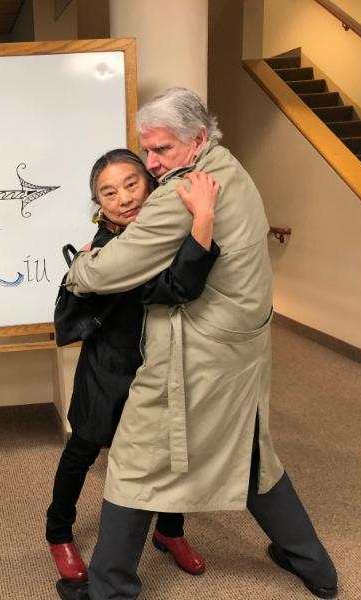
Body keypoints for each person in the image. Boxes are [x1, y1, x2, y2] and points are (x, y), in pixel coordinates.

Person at [62, 88, 338, 600]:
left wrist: (78, 267)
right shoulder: (232, 168)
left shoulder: (182, 192)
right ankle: (314, 565)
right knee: (251, 453)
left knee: (135, 461)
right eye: (146, 149)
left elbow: (105, 272)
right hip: (242, 348)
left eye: (161, 149)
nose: (150, 163)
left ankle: (109, 589)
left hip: (200, 353)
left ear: (197, 140)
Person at [48, 149, 220, 588]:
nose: (124, 198)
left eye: (131, 184)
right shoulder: (106, 251)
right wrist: (203, 219)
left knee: (170, 450)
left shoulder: (164, 232)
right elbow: (177, 286)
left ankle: (170, 530)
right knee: (83, 449)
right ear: (99, 205)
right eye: (109, 193)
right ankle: (58, 531)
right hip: (110, 364)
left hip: (164, 362)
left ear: (150, 184)